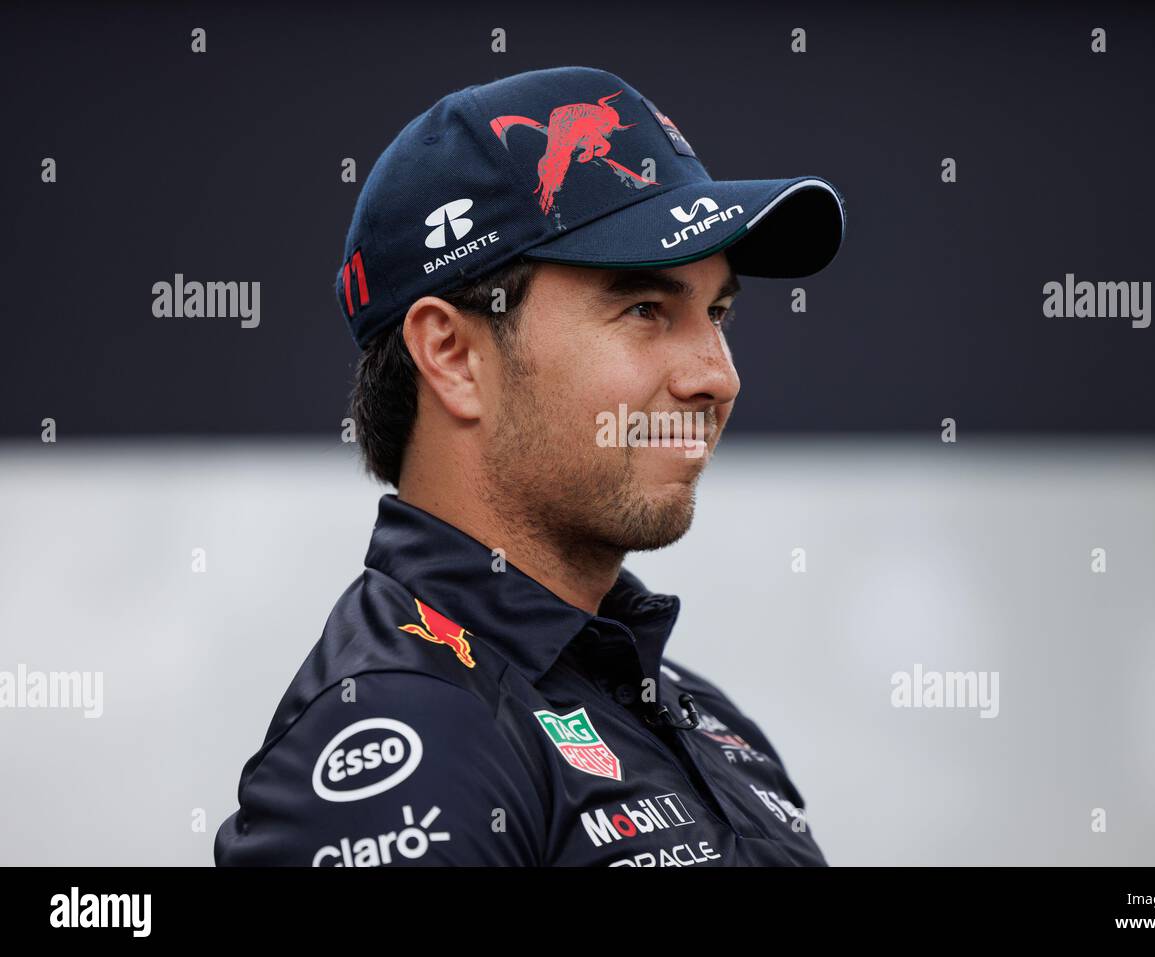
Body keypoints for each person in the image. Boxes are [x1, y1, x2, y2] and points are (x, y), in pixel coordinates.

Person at [214, 65, 846, 867]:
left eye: (716, 312)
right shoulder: (408, 744)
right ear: (452, 355)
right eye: (645, 309)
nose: (716, 376)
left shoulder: (701, 716)